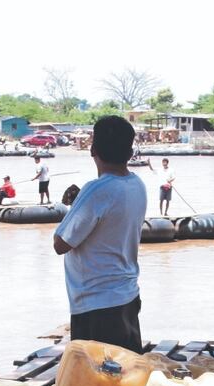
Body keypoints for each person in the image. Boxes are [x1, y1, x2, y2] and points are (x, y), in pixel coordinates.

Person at [53, 115, 145, 353]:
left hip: (96, 306)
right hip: (126, 297)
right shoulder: (137, 184)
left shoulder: (96, 190)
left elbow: (61, 243)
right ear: (130, 152)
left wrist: (74, 206)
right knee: (126, 376)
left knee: (96, 383)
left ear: (93, 149)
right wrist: (80, 203)